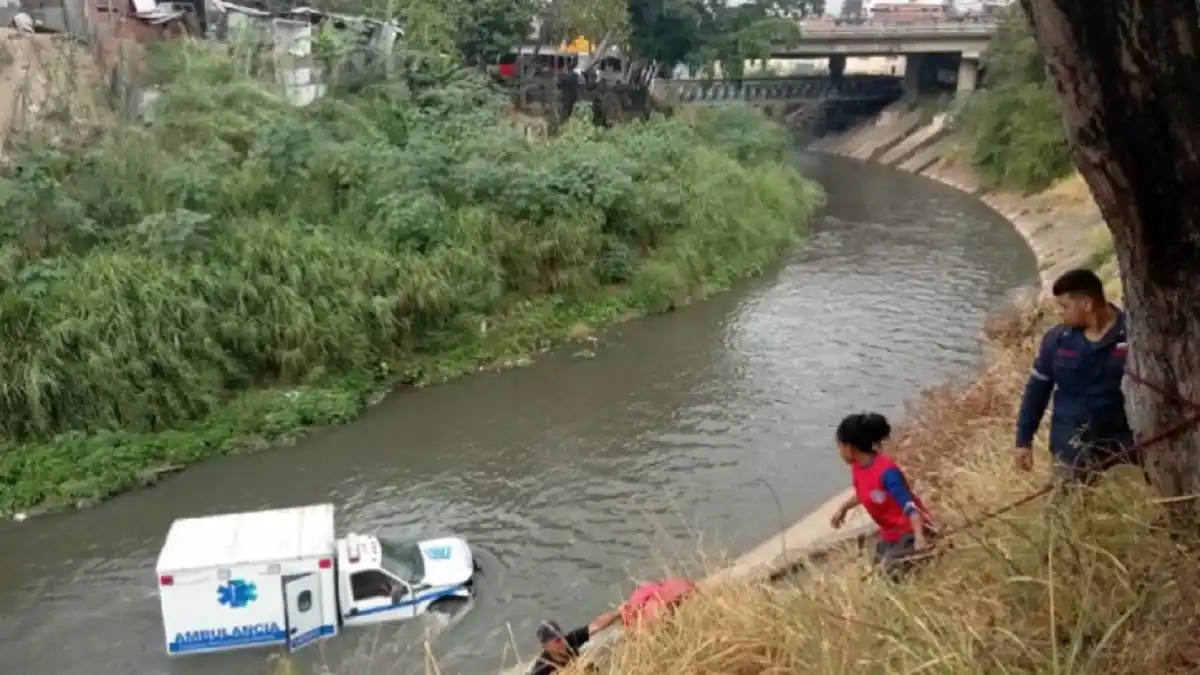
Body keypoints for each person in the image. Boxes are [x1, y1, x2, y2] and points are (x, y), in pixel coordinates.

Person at [1014, 268, 1146, 486]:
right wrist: (1023, 441)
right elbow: (1036, 391)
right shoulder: (1056, 340)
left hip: (1124, 447)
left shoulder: (1135, 336)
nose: (1060, 313)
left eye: (1065, 306)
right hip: (1070, 449)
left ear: (1086, 304)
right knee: (1066, 503)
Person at [829, 412, 935, 578]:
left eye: (839, 447)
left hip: (911, 530)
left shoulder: (887, 473)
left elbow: (910, 506)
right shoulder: (858, 467)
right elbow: (865, 493)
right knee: (877, 566)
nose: (839, 452)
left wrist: (919, 538)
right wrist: (843, 509)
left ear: (849, 447)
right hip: (891, 534)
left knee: (889, 571)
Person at [529, 609, 623, 675]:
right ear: (545, 647)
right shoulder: (542, 668)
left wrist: (618, 612)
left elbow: (595, 625)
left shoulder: (569, 640)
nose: (563, 642)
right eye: (557, 640)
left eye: (562, 636)